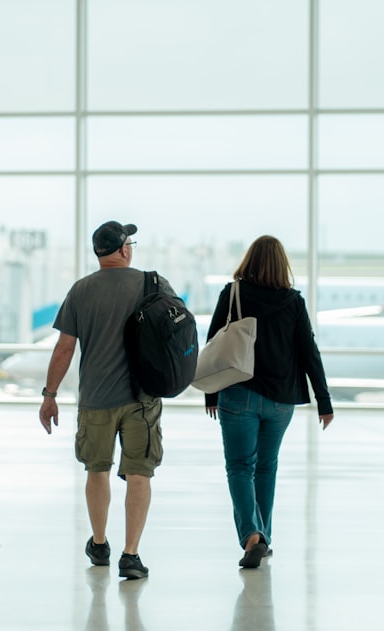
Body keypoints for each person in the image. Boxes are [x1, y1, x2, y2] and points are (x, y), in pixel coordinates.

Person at [39, 220, 176, 580]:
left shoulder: (81, 291)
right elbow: (178, 330)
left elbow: (64, 348)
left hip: (96, 399)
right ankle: (131, 554)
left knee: (96, 469)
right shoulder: (153, 284)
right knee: (139, 474)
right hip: (142, 398)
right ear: (125, 249)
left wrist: (49, 396)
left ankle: (99, 544)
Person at [203, 235, 334, 568]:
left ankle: (252, 536)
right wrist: (323, 400)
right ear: (281, 264)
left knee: (240, 467)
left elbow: (214, 344)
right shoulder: (293, 302)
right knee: (266, 466)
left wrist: (211, 391)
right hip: (281, 400)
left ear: (249, 260)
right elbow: (309, 350)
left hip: (238, 394)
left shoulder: (233, 293)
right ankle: (263, 535)